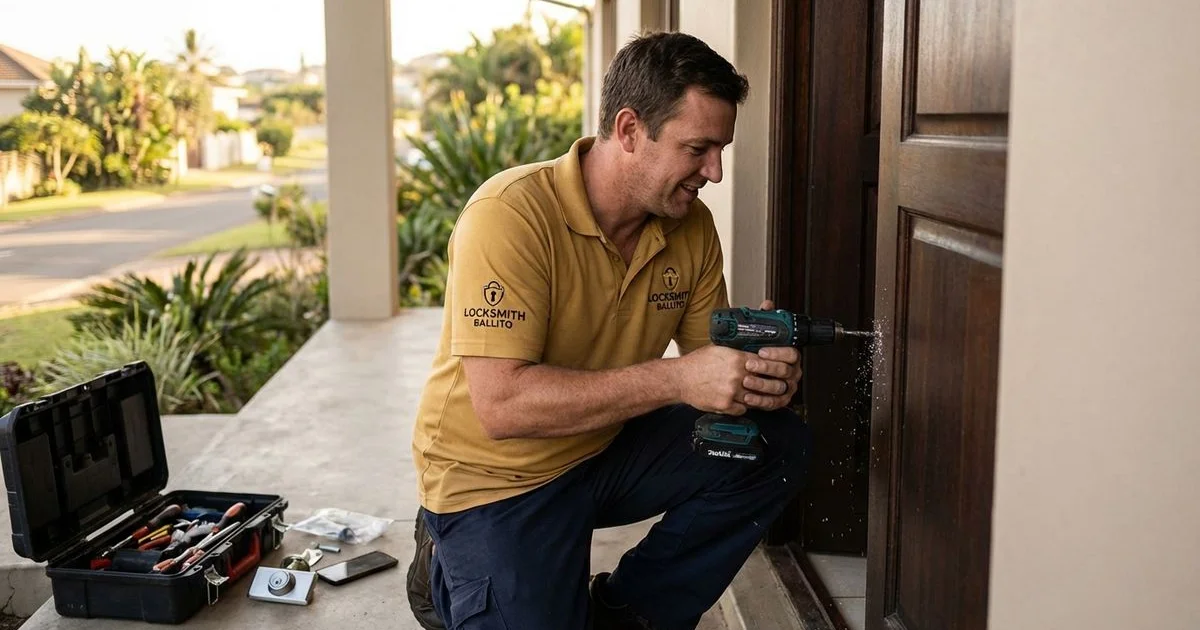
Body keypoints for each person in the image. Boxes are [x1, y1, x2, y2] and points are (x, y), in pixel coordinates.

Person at [408, 31, 812, 630]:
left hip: (603, 448)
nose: (716, 172)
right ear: (628, 131)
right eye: (698, 148)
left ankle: (628, 611)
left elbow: (710, 370)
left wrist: (755, 377)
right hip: (497, 478)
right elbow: (503, 406)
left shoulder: (690, 226)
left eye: (720, 149)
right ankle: (447, 564)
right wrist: (679, 378)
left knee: (773, 445)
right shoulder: (510, 216)